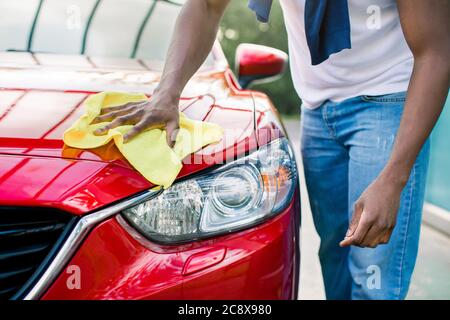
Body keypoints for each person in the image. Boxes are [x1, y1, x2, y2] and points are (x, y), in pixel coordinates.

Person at [93, 0, 450, 299]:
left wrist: (393, 178)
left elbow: (437, 50)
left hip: (387, 103)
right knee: (337, 260)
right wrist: (166, 95)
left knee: (372, 275)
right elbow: (204, 6)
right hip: (317, 107)